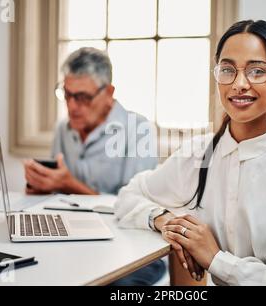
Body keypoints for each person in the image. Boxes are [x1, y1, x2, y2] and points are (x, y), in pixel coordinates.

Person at [115, 20, 266, 286]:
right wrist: (166, 221)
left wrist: (216, 260)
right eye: (228, 69)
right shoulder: (197, 155)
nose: (239, 84)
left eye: (256, 71)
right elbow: (127, 198)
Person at [24, 47, 164, 285]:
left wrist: (69, 184)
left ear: (108, 92)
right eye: (66, 95)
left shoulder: (137, 129)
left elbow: (136, 210)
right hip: (74, 239)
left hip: (129, 247)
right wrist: (43, 186)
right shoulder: (63, 129)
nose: (72, 106)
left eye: (83, 97)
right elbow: (58, 197)